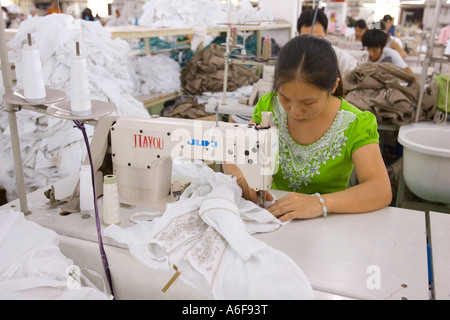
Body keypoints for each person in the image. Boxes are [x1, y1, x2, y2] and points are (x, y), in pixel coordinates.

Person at [223, 35, 392, 221]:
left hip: (327, 225)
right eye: (285, 98)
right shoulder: (268, 107)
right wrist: (240, 174)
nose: (294, 111)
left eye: (308, 102)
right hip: (272, 217)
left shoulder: (356, 123)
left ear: (334, 86)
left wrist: (320, 203)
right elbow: (236, 153)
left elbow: (380, 189)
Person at [297, 9, 357, 76]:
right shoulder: (293, 59)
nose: (312, 45)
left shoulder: (343, 60)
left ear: (326, 33)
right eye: (306, 40)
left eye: (318, 38)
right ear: (299, 36)